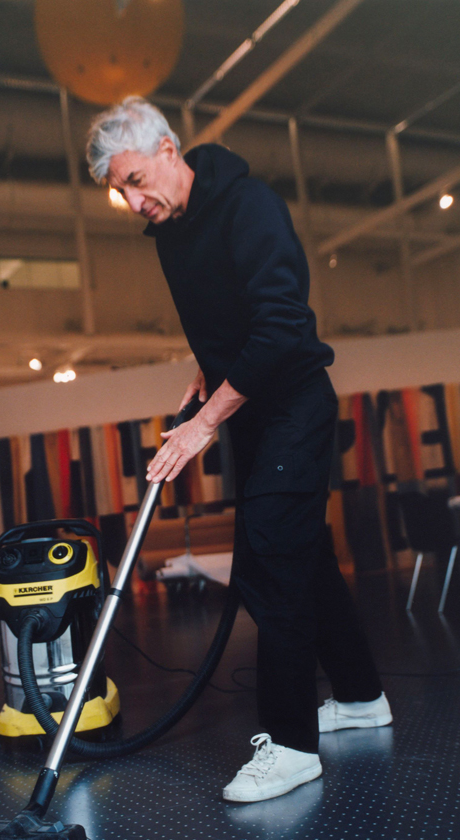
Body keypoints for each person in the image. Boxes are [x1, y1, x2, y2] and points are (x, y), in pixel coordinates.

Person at [86, 97, 392, 804]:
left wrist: (202, 427)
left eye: (135, 180)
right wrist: (206, 372)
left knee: (270, 567)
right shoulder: (169, 234)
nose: (132, 201)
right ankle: (359, 697)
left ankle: (290, 748)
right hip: (254, 411)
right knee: (303, 556)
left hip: (293, 406)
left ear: (168, 149)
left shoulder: (248, 205)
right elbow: (230, 319)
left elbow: (283, 326)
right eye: (119, 192)